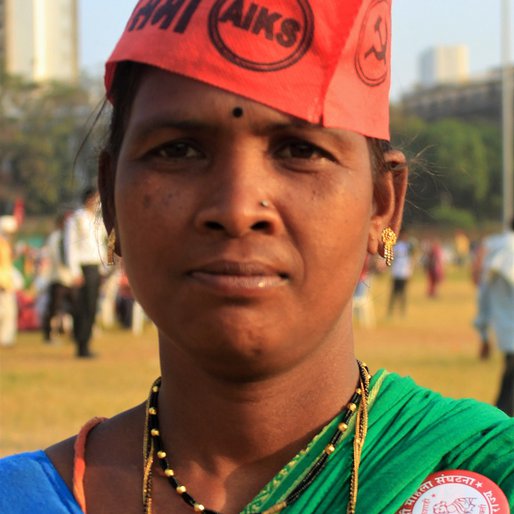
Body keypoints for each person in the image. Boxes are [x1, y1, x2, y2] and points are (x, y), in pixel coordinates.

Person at [1, 2, 513, 513]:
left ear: (382, 204)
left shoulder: (488, 473)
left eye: (300, 151)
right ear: (110, 197)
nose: (238, 209)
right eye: (178, 150)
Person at [473, 218, 514, 416]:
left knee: (508, 389)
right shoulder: (508, 252)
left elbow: (484, 297)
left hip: (505, 333)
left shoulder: (494, 251)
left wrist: (483, 333)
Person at [64, 187, 106, 358]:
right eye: (96, 198)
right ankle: (81, 345)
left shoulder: (97, 220)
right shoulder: (77, 219)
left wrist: (105, 266)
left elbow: (103, 243)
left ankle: (86, 342)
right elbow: (70, 245)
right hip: (83, 268)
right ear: (89, 199)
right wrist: (74, 271)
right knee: (83, 307)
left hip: (95, 266)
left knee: (92, 306)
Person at [41, 212, 74, 343]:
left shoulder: (69, 237)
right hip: (58, 278)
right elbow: (57, 257)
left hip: (69, 278)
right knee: (53, 308)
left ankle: (74, 333)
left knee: (75, 308)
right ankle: (48, 335)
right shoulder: (55, 238)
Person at [387, 229, 413, 317]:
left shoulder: (409, 247)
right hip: (396, 273)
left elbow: (411, 260)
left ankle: (402, 312)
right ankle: (390, 311)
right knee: (394, 293)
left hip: (404, 273)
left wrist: (409, 272)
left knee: (402, 293)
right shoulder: (396, 246)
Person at [0, 219, 17, 347]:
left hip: (7, 281)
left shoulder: (5, 244)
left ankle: (6, 338)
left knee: (9, 311)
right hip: (2, 282)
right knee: (4, 311)